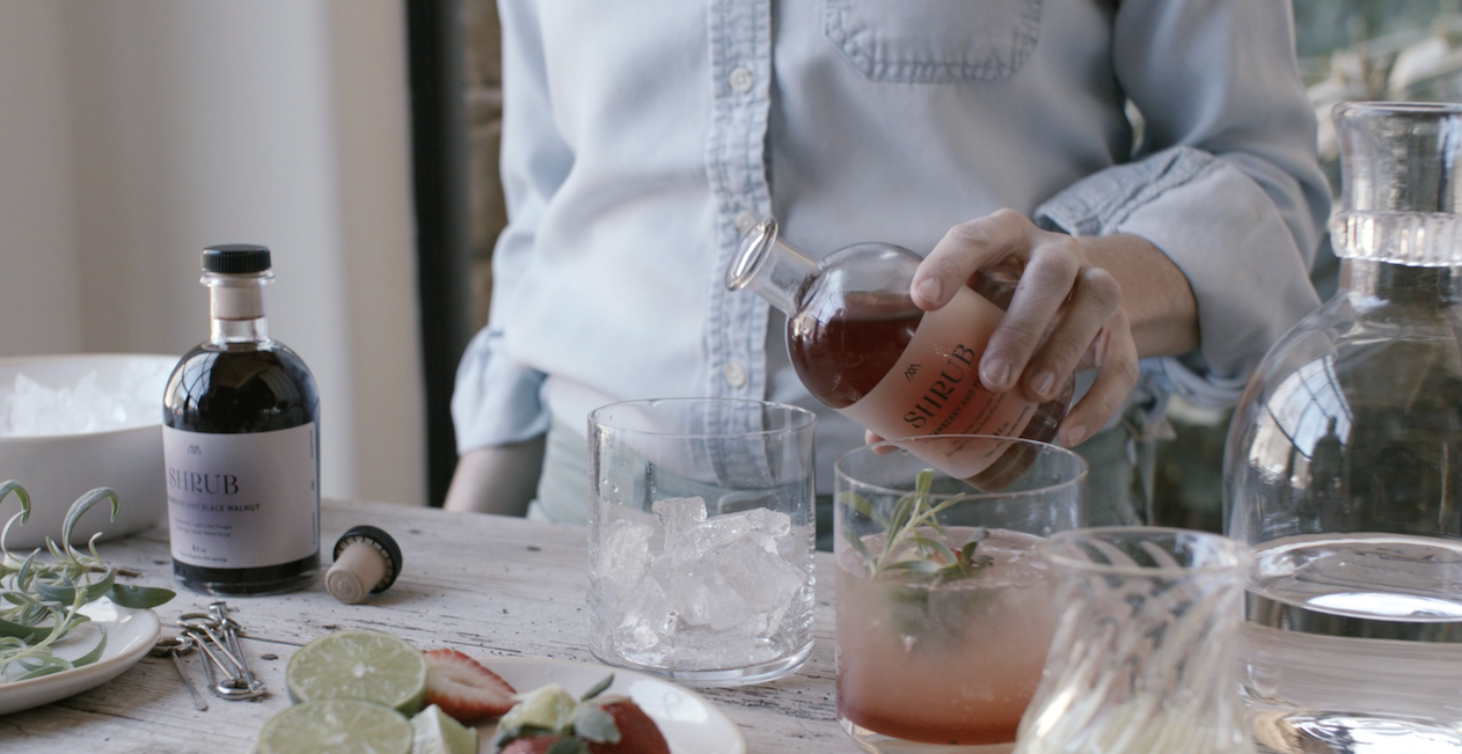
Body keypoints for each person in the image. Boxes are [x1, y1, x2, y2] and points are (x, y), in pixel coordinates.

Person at [444, 0, 1330, 534]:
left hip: (993, 524)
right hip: (593, 521)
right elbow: (548, 214)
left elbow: (1263, 180)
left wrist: (1079, 285)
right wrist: (459, 541)